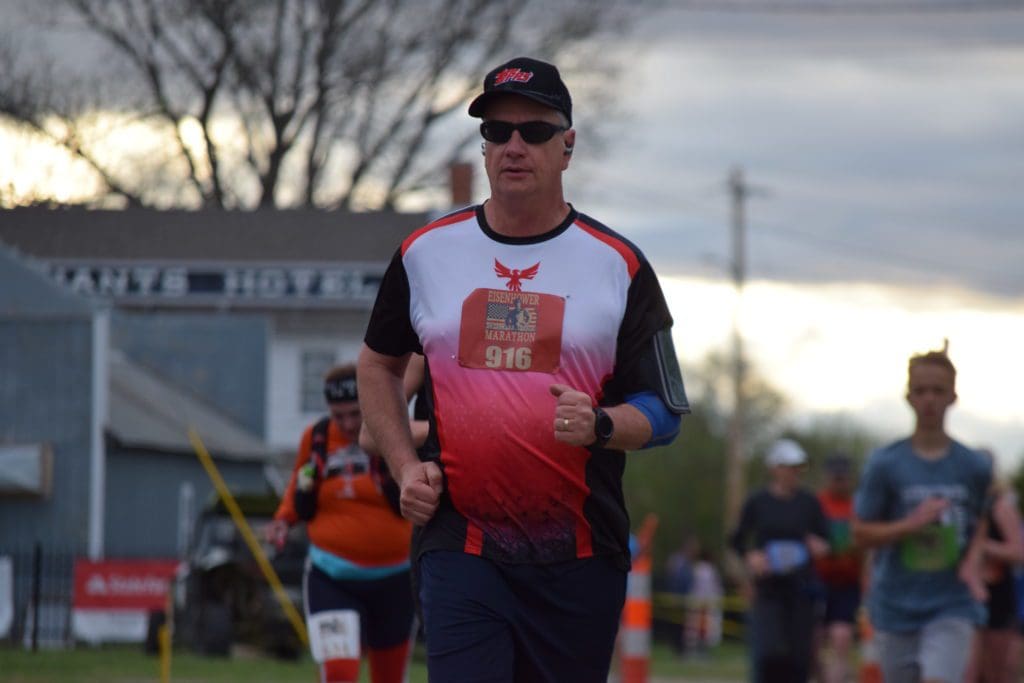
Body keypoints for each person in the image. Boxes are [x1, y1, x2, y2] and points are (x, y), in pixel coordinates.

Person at [357, 56, 690, 683]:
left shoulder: (617, 264)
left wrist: (600, 424)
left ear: (567, 147)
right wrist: (405, 467)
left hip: (579, 551)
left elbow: (665, 410)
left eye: (534, 131)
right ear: (483, 148)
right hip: (461, 542)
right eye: (496, 131)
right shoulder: (426, 253)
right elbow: (377, 366)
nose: (514, 146)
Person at [265, 364, 414, 683]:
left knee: (389, 677)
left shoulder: (395, 434)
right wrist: (283, 519)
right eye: (338, 416)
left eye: (355, 414)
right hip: (332, 577)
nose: (347, 424)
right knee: (339, 672)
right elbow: (298, 482)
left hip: (395, 579)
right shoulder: (316, 439)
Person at [852, 346, 992, 683]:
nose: (929, 399)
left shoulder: (973, 465)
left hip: (951, 603)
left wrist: (973, 560)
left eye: (938, 390)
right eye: (921, 390)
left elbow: (982, 519)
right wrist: (910, 524)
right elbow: (860, 533)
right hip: (895, 605)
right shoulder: (885, 464)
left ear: (953, 397)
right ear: (909, 397)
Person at [729, 438, 830, 683]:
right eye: (788, 467)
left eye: (797, 468)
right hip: (768, 589)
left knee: (799, 656)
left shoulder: (809, 503)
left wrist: (819, 546)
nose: (793, 473)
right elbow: (737, 540)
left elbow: (826, 540)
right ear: (775, 469)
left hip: (801, 589)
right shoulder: (758, 502)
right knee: (768, 653)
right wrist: (751, 557)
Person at [964, 449, 1024, 683]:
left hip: (996, 595)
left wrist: (983, 546)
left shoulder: (1000, 508)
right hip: (966, 596)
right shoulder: (965, 507)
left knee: (997, 672)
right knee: (970, 670)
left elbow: (1019, 552)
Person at [814, 452, 865, 683]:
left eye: (843, 478)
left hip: (847, 583)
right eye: (835, 477)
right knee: (813, 642)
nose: (839, 482)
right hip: (817, 581)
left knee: (841, 637)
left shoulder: (859, 507)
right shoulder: (815, 504)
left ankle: (839, 675)